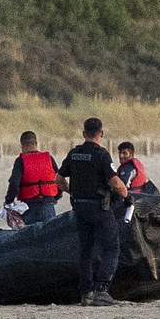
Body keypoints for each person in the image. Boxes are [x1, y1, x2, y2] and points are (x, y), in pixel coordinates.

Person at [55, 118, 129, 307]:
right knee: (112, 247)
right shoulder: (101, 155)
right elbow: (116, 183)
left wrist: (71, 191)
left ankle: (86, 293)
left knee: (85, 250)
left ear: (83, 133)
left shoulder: (75, 153)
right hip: (99, 208)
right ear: (101, 134)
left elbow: (59, 179)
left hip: (79, 207)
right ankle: (101, 290)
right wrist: (126, 197)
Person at [4, 131, 60, 225]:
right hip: (48, 205)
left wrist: (9, 201)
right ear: (36, 144)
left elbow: (14, 183)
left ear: (22, 145)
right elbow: (59, 180)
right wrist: (55, 197)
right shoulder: (49, 158)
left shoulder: (20, 161)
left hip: (29, 206)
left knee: (30, 237)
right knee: (50, 237)